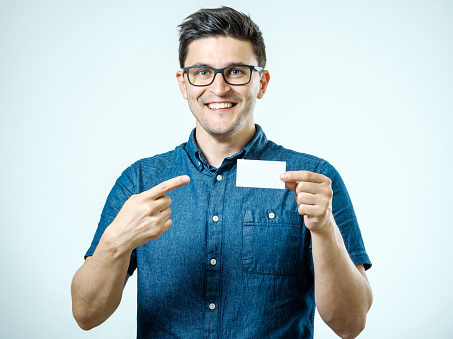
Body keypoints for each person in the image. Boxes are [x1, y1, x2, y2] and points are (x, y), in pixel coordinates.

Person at [71, 6, 372, 339]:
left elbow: (350, 324)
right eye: (202, 72)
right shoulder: (140, 182)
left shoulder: (312, 180)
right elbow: (86, 315)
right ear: (183, 83)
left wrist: (324, 228)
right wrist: (115, 243)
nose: (218, 88)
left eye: (236, 71)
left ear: (262, 82)